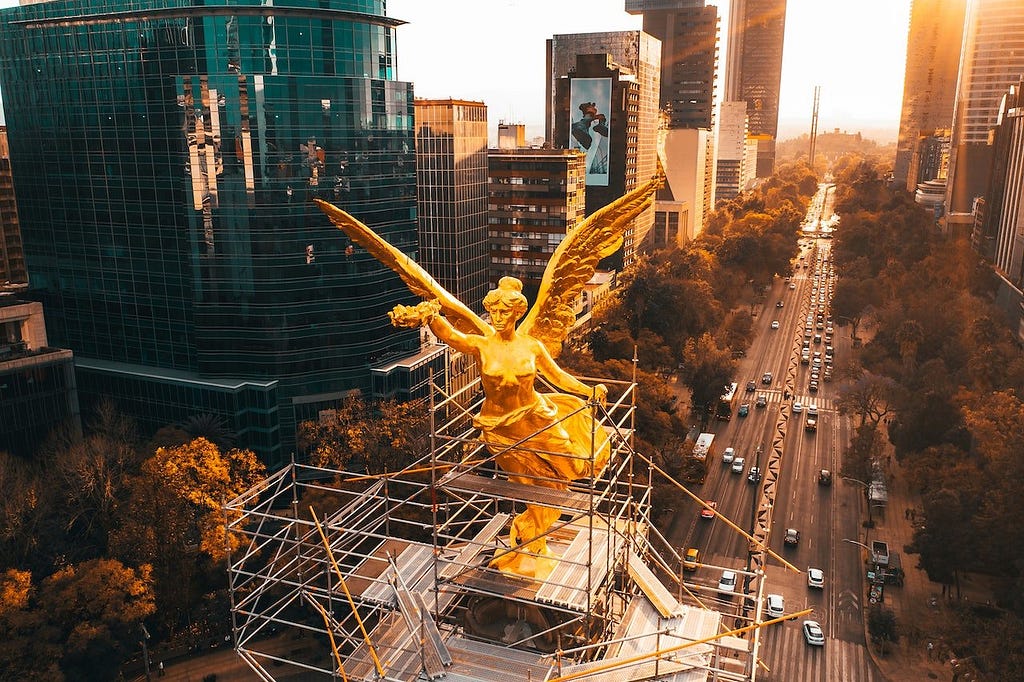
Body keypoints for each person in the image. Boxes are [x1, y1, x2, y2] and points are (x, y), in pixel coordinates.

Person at [391, 278, 610, 576]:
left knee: (569, 466)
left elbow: (558, 377)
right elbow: (451, 336)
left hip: (536, 416)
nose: (497, 317)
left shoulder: (532, 345)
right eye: (493, 311)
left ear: (516, 313)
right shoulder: (482, 344)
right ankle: (532, 542)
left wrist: (588, 391)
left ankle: (532, 537)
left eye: (504, 312)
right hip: (499, 427)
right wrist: (431, 316)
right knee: (528, 487)